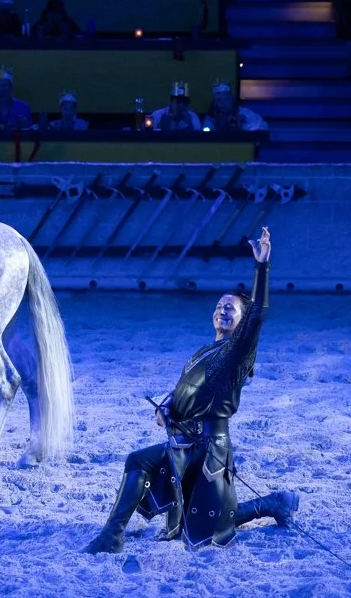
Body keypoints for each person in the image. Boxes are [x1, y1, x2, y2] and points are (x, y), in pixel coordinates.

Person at [83, 228, 300, 553]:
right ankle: (274, 503)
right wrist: (167, 409)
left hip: (208, 445)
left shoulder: (237, 352)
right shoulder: (203, 352)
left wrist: (261, 267)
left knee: (144, 466)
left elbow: (258, 314)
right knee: (200, 517)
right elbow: (183, 391)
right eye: (219, 306)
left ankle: (111, 537)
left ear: (241, 322)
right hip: (186, 440)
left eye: (231, 308)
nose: (223, 310)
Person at [203, 81, 267, 133]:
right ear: (215, 102)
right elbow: (205, 132)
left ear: (232, 99)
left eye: (226, 99)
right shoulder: (211, 118)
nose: (224, 103)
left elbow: (262, 128)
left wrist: (242, 127)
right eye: (219, 100)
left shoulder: (244, 113)